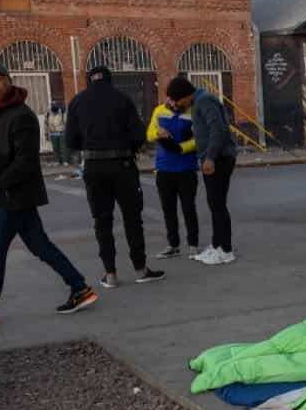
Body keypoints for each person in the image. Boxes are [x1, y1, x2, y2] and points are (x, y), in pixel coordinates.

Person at [0, 63, 98, 328]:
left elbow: (26, 161)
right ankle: (80, 287)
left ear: (9, 80)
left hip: (14, 196)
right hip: (8, 194)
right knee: (40, 245)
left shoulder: (21, 115)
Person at [66, 66, 165, 287]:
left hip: (93, 166)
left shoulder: (77, 101)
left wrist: (91, 145)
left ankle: (110, 273)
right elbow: (139, 136)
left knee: (102, 220)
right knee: (132, 218)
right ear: (110, 80)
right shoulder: (122, 99)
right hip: (122, 165)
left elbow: (71, 141)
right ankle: (140, 269)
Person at [165, 77, 237, 265]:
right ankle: (216, 246)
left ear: (185, 95)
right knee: (214, 203)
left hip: (218, 158)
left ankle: (226, 250)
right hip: (212, 158)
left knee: (218, 203)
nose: (177, 104)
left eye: (177, 100)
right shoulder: (199, 101)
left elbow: (217, 129)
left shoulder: (205, 100)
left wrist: (210, 157)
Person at [147, 97, 201, 259]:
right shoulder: (159, 111)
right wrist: (158, 133)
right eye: (171, 99)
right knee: (168, 209)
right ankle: (173, 245)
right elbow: (149, 134)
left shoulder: (193, 113)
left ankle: (193, 245)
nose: (174, 103)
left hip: (187, 168)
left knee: (188, 208)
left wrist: (181, 148)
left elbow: (199, 138)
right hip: (164, 168)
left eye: (177, 100)